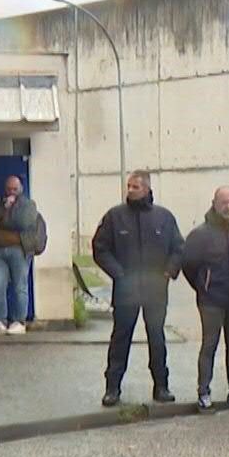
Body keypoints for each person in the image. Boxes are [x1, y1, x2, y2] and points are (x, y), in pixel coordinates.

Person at [92, 171, 183, 406]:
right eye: (128, 186)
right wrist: (119, 274)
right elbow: (100, 248)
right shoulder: (115, 217)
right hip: (126, 291)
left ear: (146, 189)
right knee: (120, 339)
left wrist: (168, 272)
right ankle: (112, 388)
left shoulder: (164, 217)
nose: (130, 190)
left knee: (157, 338)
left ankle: (161, 387)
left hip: (155, 290)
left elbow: (178, 248)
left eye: (135, 187)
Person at [181, 186, 229, 412]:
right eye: (225, 202)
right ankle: (204, 392)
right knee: (209, 345)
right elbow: (189, 265)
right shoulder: (200, 234)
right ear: (214, 203)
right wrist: (203, 286)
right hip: (211, 300)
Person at [0, 174, 46, 334]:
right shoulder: (0, 205)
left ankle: (19, 321)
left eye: (15, 189)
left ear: (21, 189)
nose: (11, 192)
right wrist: (4, 209)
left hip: (19, 249)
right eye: (9, 189)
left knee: (20, 286)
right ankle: (0, 321)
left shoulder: (28, 204)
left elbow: (23, 223)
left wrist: (3, 220)